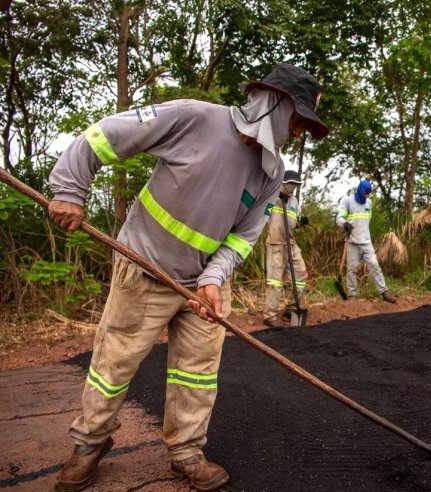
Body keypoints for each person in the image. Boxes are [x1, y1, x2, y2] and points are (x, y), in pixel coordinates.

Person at [47, 63, 328, 491]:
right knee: (114, 363)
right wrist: (70, 189)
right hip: (144, 266)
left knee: (196, 372)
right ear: (275, 103)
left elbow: (244, 237)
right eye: (298, 120)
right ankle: (90, 443)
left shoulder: (271, 172)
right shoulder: (193, 118)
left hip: (205, 287)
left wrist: (212, 280)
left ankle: (186, 450)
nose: (300, 131)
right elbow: (103, 136)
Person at [335, 179, 397, 303]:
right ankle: (352, 295)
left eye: (368, 194)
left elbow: (366, 221)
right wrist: (345, 223)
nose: (366, 196)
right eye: (365, 194)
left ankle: (384, 292)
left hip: (366, 242)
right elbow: (339, 218)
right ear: (359, 190)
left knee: (375, 265)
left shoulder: (368, 203)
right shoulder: (347, 201)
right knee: (352, 269)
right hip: (352, 242)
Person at [262, 170, 310, 328]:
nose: (293, 188)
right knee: (275, 280)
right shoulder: (272, 196)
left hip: (291, 243)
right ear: (283, 183)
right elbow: (262, 217)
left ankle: (291, 307)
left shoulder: (294, 201)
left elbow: (292, 223)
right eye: (291, 184)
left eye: (296, 185)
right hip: (276, 243)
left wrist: (300, 223)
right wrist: (277, 198)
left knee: (301, 273)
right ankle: (269, 316)